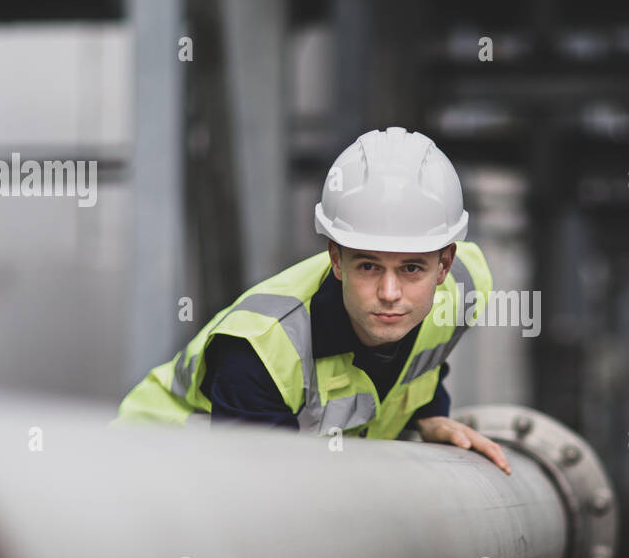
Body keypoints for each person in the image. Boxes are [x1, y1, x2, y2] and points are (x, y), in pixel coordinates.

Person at [115, 126, 511, 474]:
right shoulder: (263, 350)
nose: (390, 294)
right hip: (149, 478)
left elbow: (422, 363)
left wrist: (429, 415)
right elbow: (272, 502)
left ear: (445, 265)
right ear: (336, 258)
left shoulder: (464, 291)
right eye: (369, 267)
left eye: (411, 269)